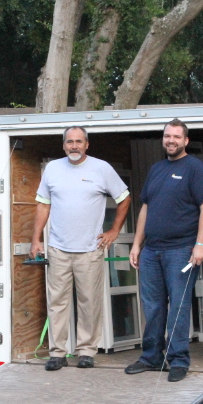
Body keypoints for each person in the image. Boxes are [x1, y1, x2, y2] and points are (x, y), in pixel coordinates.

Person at [30, 126, 132, 371]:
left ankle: (86, 351)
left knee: (88, 302)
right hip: (58, 248)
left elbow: (124, 198)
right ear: (63, 145)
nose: (74, 146)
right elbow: (43, 206)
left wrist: (114, 231)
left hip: (90, 249)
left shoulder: (102, 168)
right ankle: (58, 353)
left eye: (78, 141)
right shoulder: (53, 169)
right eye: (69, 142)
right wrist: (36, 240)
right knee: (57, 302)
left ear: (87, 144)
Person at [125, 118, 203, 382]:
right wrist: (136, 244)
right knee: (152, 306)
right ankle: (151, 356)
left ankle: (178, 360)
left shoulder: (194, 168)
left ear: (185, 141)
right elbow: (145, 208)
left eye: (177, 137)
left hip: (181, 250)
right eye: (167, 136)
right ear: (163, 139)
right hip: (151, 252)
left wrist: (200, 244)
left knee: (178, 305)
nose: (171, 141)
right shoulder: (156, 169)